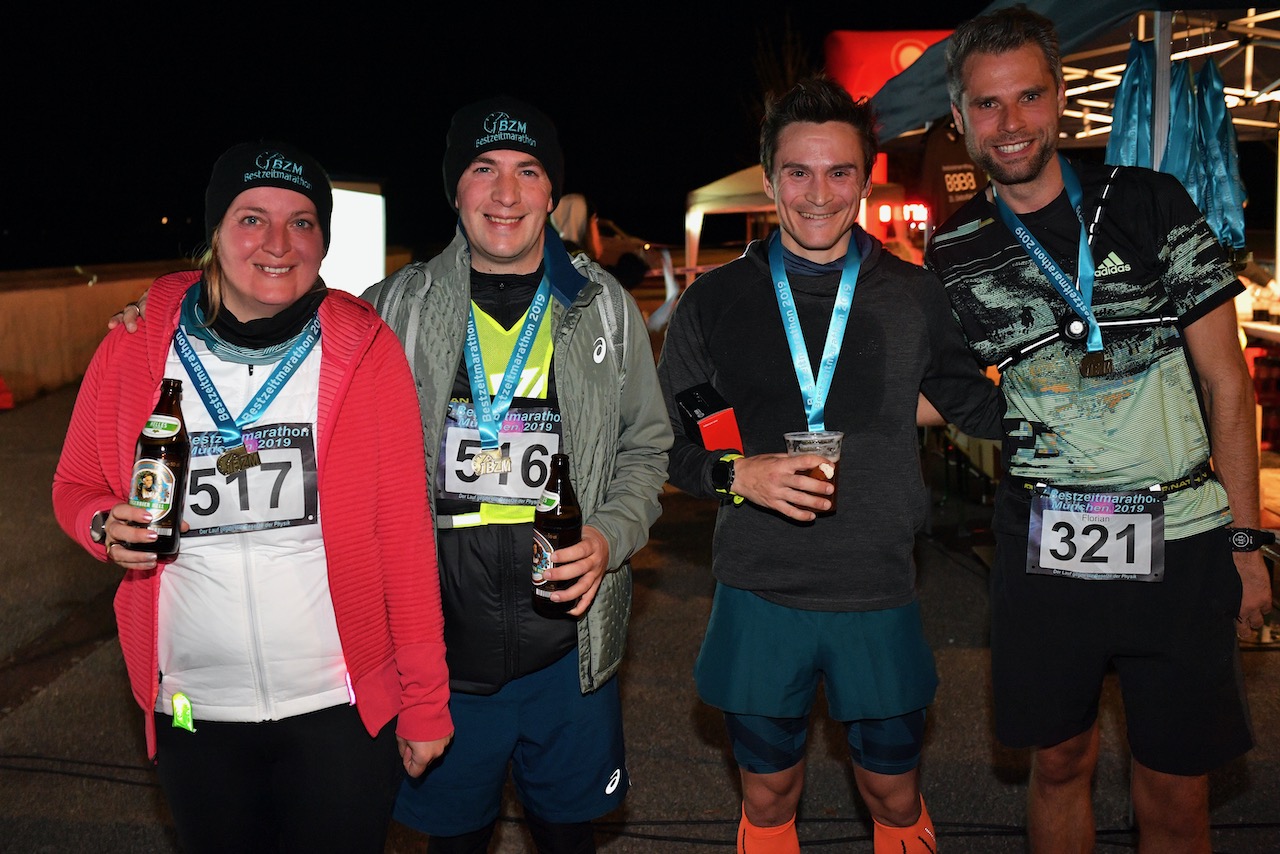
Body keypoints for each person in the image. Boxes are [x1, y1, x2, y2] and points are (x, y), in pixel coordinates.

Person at [925, 7, 1268, 852]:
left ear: (1059, 99)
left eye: (1028, 97)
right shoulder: (954, 251)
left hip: (1182, 541)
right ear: (961, 120)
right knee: (1058, 764)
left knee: (1177, 787)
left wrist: (1248, 542)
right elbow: (931, 390)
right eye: (988, 106)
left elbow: (1228, 383)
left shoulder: (1149, 201)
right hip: (1045, 552)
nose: (1011, 125)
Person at [57, 140, 453, 853]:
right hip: (194, 706)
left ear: (324, 241)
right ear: (214, 231)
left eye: (302, 222)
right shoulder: (138, 343)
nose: (278, 243)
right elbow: (75, 484)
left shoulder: (366, 350)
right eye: (251, 219)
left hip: (338, 706)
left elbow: (404, 535)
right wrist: (98, 526)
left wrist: (426, 701)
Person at [657, 75, 1003, 854]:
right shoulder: (713, 305)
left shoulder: (915, 296)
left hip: (876, 585)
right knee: (770, 788)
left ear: (865, 178)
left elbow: (977, 407)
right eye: (799, 172)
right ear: (771, 177)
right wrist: (736, 474)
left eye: (839, 172)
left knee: (892, 785)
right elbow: (677, 447)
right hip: (759, 584)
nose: (819, 194)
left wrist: (1082, 392)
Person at [360, 97, 671, 853]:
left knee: (569, 840)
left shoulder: (602, 307)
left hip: (568, 658)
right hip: (441, 660)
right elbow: (266, 327)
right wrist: (168, 310)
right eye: (483, 169)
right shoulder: (390, 310)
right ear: (454, 189)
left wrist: (609, 535)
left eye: (528, 172)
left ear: (553, 194)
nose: (506, 194)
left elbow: (646, 447)